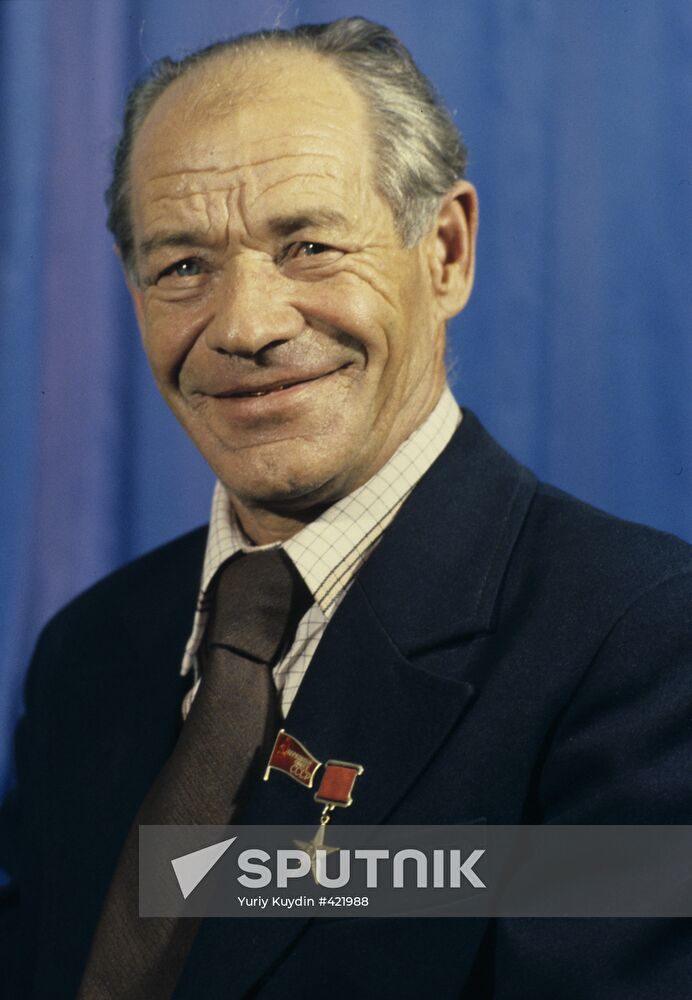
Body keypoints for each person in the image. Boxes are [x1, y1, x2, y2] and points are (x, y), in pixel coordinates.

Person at [2, 16, 692, 1000]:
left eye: (309, 244)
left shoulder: (640, 644)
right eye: (183, 265)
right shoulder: (88, 652)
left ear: (444, 252)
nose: (244, 325)